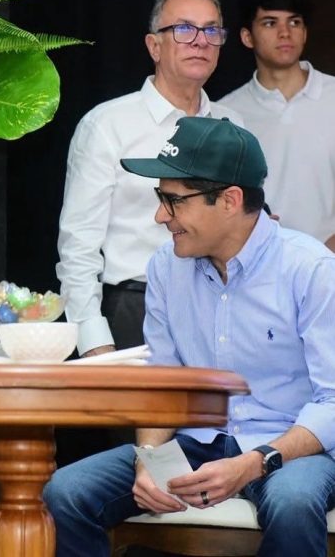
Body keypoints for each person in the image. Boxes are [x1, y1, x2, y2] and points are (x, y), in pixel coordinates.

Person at [44, 116, 335, 557]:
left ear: (231, 200)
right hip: (196, 444)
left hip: (289, 450)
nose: (160, 216)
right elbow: (164, 383)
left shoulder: (310, 269)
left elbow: (332, 400)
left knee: (292, 501)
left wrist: (254, 463)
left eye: (173, 200)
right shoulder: (166, 266)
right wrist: (148, 460)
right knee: (66, 492)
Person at [57, 0, 241, 360]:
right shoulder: (107, 124)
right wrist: (94, 340)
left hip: (226, 311)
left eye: (212, 31)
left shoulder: (234, 126)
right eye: (185, 29)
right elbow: (78, 246)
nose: (200, 41)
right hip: (133, 310)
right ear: (154, 46)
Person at [220, 0, 335, 251]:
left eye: (294, 22)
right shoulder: (227, 113)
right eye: (270, 23)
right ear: (247, 37)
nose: (285, 33)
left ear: (305, 32)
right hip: (258, 269)